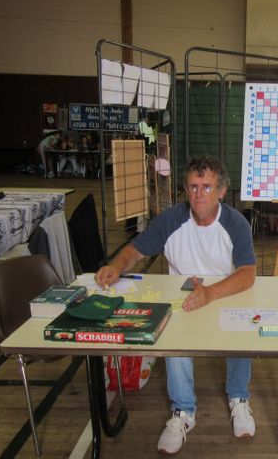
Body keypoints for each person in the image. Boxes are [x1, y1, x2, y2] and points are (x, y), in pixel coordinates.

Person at [95, 155, 257, 455]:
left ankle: (239, 397)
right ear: (186, 189)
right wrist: (116, 266)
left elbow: (247, 274)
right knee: (173, 335)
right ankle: (183, 410)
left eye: (206, 187)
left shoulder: (236, 223)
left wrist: (210, 294)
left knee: (241, 330)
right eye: (193, 187)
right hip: (185, 296)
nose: (198, 194)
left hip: (223, 293)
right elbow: (135, 251)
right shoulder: (170, 219)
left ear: (221, 191)